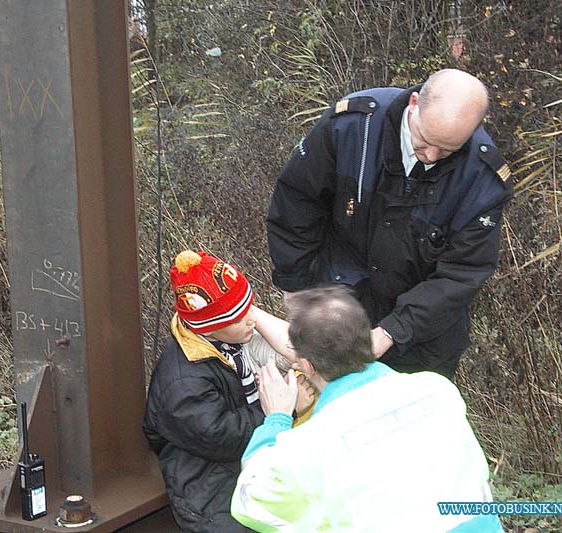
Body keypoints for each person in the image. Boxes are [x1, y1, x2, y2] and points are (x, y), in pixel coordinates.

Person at [266, 69, 514, 378]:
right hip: (339, 304)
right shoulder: (353, 127)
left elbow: (462, 274)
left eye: (447, 149)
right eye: (424, 141)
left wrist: (392, 330)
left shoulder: (483, 179)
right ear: (414, 104)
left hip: (423, 336)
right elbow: (297, 202)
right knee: (330, 411)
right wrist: (295, 285)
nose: (431, 156)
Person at [230, 286, 502, 532]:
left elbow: (250, 502)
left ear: (307, 366)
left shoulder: (309, 446)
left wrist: (277, 419)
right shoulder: (438, 391)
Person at [143, 250, 313, 532]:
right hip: (207, 483)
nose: (250, 320)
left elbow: (298, 350)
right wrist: (285, 409)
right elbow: (220, 438)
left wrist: (245, 311)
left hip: (238, 454)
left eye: (250, 308)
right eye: (237, 317)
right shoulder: (184, 382)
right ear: (209, 328)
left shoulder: (232, 340)